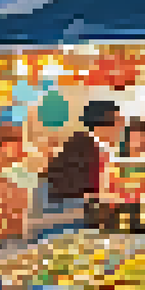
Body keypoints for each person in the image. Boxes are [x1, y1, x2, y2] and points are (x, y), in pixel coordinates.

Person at [44, 100, 123, 233]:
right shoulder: (78, 146)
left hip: (104, 213)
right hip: (78, 217)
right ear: (101, 124)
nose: (121, 127)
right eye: (118, 122)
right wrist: (95, 196)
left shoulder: (109, 150)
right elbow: (62, 184)